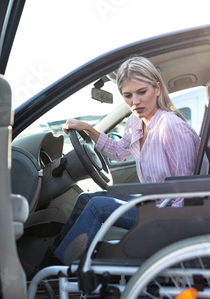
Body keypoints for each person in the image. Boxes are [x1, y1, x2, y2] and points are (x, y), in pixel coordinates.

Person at [53, 56, 201, 264]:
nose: (135, 102)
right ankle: (58, 257)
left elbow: (187, 188)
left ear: (157, 89)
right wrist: (86, 128)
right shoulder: (136, 121)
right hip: (151, 204)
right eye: (128, 95)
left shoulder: (170, 126)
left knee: (97, 206)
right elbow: (118, 151)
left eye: (142, 92)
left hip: (168, 214)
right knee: (85, 199)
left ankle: (60, 270)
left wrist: (164, 234)